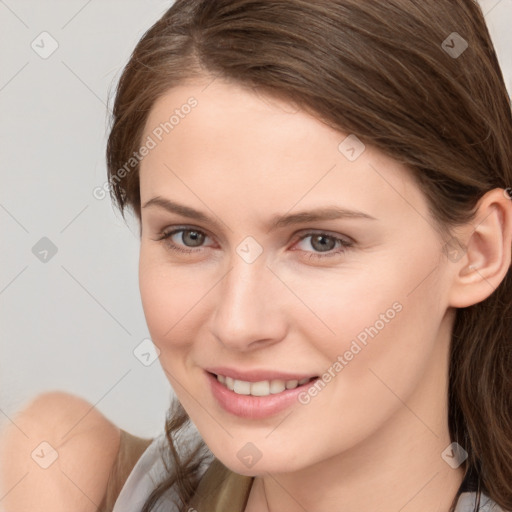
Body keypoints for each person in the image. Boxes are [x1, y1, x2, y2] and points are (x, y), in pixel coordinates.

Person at [1, 0, 511, 511]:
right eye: (190, 236)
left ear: (477, 252)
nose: (237, 324)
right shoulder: (70, 479)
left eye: (320, 242)